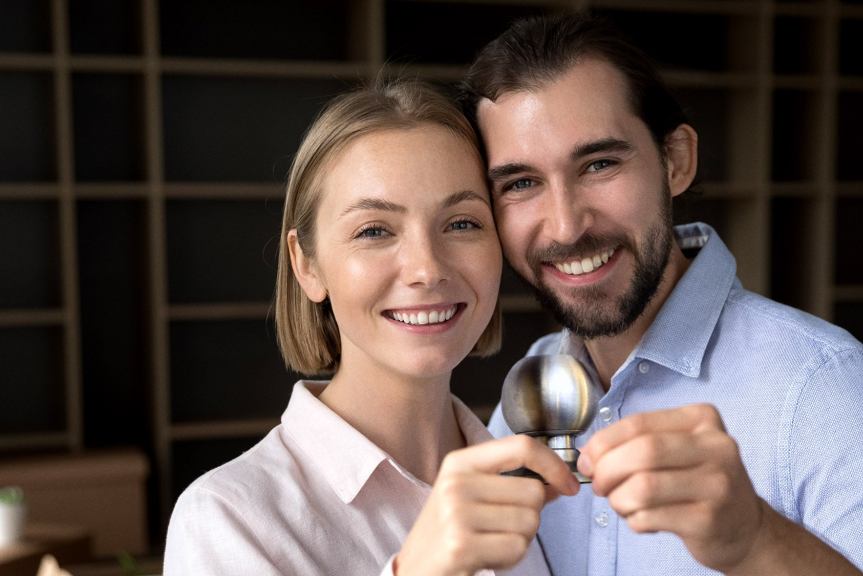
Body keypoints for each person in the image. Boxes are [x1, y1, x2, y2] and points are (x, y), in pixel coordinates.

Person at [460, 13, 863, 576]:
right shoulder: (533, 388)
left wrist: (756, 541)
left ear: (675, 160)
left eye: (600, 164)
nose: (565, 226)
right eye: (520, 184)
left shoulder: (823, 385)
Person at [163, 79, 579, 575]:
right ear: (307, 265)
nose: (427, 268)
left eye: (462, 223)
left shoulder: (535, 485)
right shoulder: (229, 519)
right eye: (374, 231)